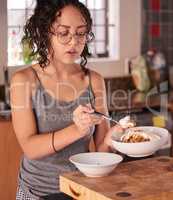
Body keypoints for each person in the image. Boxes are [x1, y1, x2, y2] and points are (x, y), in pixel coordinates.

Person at [10, 0, 118, 199]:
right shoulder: (24, 80)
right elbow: (30, 148)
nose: (74, 41)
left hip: (82, 190)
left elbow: (102, 150)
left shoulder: (94, 80)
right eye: (63, 33)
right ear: (45, 33)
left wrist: (114, 137)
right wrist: (77, 129)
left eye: (80, 33)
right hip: (38, 193)